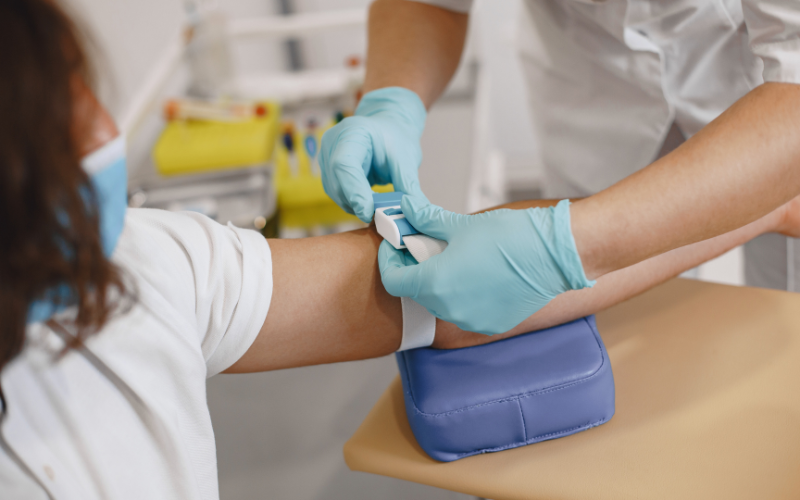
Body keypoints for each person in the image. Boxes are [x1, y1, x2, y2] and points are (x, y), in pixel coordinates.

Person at [1, 0, 799, 498]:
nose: (109, 129)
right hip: (604, 93)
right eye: (64, 111)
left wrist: (745, 211)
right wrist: (394, 101)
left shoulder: (150, 270)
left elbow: (427, 298)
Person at [319, 0, 800, 334]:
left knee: (783, 324)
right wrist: (392, 100)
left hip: (763, 92)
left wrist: (561, 248)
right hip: (593, 80)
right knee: (619, 337)